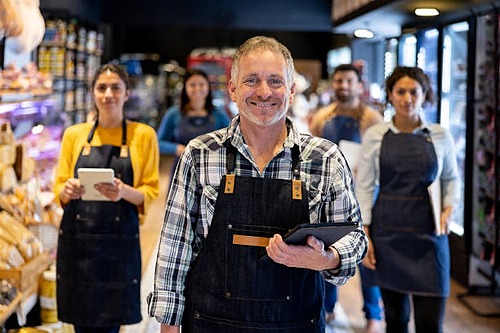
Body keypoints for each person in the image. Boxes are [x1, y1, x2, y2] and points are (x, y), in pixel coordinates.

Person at [147, 36, 368, 333]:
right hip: (211, 322)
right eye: (252, 80)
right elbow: (176, 246)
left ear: (291, 90)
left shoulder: (325, 158)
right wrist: (168, 323)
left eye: (275, 81)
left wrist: (326, 258)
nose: (264, 92)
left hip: (296, 323)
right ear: (233, 90)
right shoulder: (200, 154)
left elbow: (355, 238)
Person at [53, 63, 160, 333]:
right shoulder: (74, 135)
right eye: (101, 88)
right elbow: (59, 184)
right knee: (81, 321)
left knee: (111, 323)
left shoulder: (144, 136)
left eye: (116, 87)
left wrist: (123, 191)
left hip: (118, 245)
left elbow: (149, 192)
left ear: (126, 94)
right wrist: (66, 191)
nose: (108, 94)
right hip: (78, 244)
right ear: (93, 93)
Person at [355, 66, 461, 333]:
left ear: (425, 94)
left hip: (430, 236)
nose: (407, 98)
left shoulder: (440, 135)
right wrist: (365, 234)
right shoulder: (376, 136)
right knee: (396, 320)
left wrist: (449, 209)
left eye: (414, 92)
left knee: (430, 324)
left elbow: (450, 179)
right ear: (390, 95)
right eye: (400, 91)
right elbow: (365, 186)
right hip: (387, 236)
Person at [309, 64, 384, 333]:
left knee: (366, 254)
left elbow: (380, 160)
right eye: (339, 81)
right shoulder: (321, 117)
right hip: (329, 195)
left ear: (359, 85)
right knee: (329, 252)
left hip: (364, 194)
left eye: (349, 81)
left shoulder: (372, 119)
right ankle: (328, 308)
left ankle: (373, 314)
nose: (343, 86)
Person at [156, 68, 230, 180]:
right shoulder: (174, 113)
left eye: (201, 84)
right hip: (182, 170)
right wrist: (177, 148)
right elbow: (158, 143)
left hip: (212, 171)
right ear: (185, 88)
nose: (197, 89)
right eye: (192, 85)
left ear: (208, 87)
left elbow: (231, 139)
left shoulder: (218, 114)